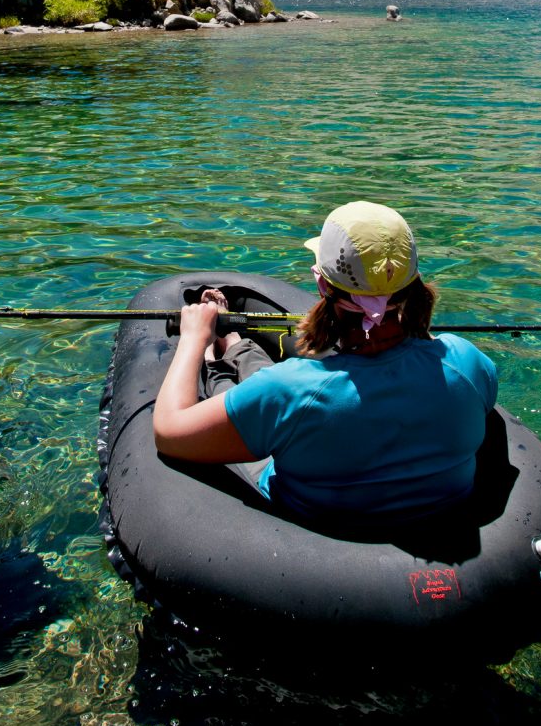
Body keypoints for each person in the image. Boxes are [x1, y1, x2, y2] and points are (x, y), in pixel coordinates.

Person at [152, 200, 498, 522]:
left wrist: (194, 337)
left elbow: (169, 433)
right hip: (437, 520)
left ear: (323, 286)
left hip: (310, 528)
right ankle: (235, 344)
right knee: (271, 394)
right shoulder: (465, 361)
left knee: (259, 400)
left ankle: (215, 355)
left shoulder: (292, 389)